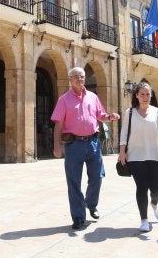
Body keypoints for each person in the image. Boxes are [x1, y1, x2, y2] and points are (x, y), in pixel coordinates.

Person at [51, 66, 120, 230]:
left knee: (97, 177)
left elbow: (100, 115)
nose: (79, 79)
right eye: (75, 76)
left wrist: (109, 117)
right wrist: (57, 146)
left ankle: (90, 203)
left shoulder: (93, 97)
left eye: (82, 76)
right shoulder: (64, 100)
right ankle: (78, 216)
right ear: (70, 79)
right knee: (74, 181)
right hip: (73, 145)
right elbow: (58, 125)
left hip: (93, 143)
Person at [118, 81, 158, 232]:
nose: (145, 97)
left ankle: (154, 204)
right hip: (136, 156)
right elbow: (124, 133)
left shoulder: (157, 112)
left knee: (157, 188)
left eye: (148, 94)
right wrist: (122, 151)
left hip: (157, 155)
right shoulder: (129, 113)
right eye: (142, 94)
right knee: (141, 187)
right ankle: (144, 219)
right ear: (136, 95)